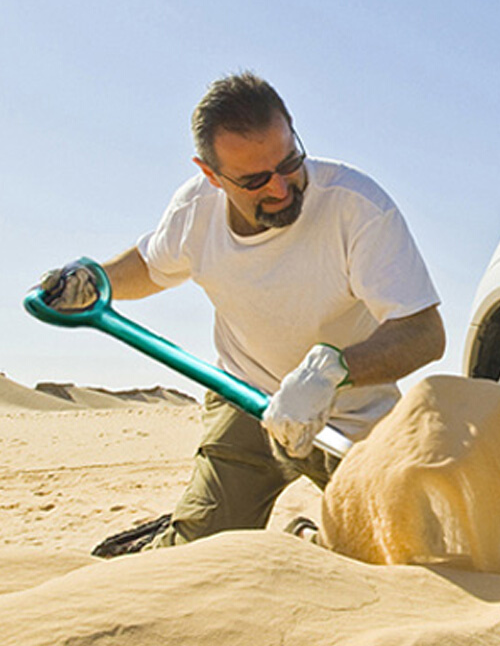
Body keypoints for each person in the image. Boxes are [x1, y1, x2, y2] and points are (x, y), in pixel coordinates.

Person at [40, 71, 445, 549]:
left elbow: (423, 332)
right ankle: (175, 533)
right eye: (254, 180)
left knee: (408, 553)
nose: (280, 189)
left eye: (289, 163)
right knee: (197, 551)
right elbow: (152, 266)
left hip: (351, 418)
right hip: (245, 396)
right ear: (211, 175)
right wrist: (98, 280)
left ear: (293, 132)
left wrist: (330, 370)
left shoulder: (356, 209)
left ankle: (314, 540)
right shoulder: (196, 210)